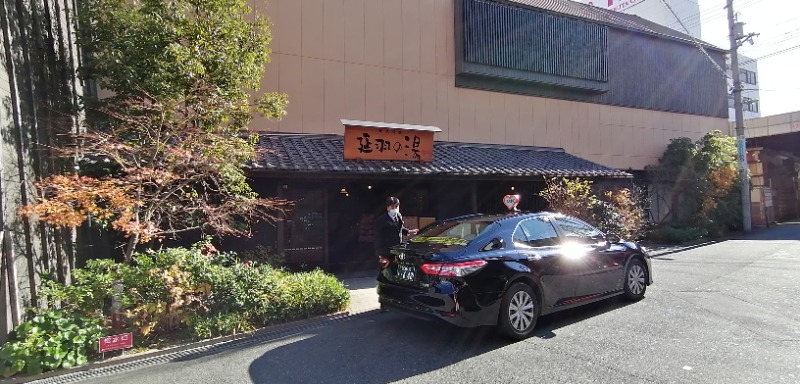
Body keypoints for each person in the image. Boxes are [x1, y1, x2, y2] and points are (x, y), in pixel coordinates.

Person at [374, 196, 418, 268]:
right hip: (387, 251)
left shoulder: (399, 216)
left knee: (397, 269)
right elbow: (377, 237)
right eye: (392, 207)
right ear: (388, 207)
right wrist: (380, 255)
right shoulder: (381, 220)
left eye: (396, 206)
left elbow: (399, 228)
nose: (395, 208)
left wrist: (408, 232)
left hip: (398, 248)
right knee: (386, 272)